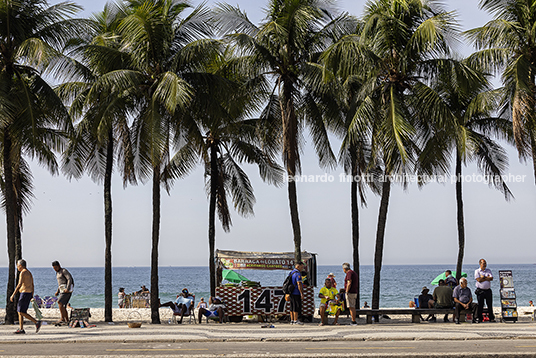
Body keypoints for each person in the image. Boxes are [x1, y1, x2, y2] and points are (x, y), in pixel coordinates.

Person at [10, 259, 41, 334]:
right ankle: (21, 329)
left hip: (24, 294)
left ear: (20, 266)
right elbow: (32, 285)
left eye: (17, 266)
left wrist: (13, 294)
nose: (17, 267)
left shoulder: (22, 273)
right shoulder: (29, 273)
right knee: (19, 312)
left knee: (21, 311)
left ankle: (36, 322)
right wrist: (32, 295)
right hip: (28, 293)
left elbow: (19, 284)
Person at [52, 261, 74, 326]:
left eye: (56, 267)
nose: (55, 269)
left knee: (59, 302)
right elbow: (60, 284)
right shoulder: (57, 273)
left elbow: (69, 279)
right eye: (54, 268)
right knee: (63, 305)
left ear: (59, 265)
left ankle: (62, 318)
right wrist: (57, 291)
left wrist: (67, 288)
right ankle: (66, 320)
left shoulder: (63, 271)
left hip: (66, 290)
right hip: (61, 290)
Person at [474, 258, 496, 323]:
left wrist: (483, 277)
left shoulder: (488, 270)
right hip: (480, 290)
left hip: (488, 290)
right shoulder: (477, 271)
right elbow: (478, 280)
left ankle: (491, 318)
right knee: (480, 304)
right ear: (480, 264)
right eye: (483, 263)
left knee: (489, 304)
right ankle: (480, 318)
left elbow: (491, 278)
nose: (484, 265)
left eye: (485, 263)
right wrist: (486, 278)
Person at [289, 261, 305, 325]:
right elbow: (299, 284)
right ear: (298, 266)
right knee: (296, 306)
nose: (302, 268)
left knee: (292, 306)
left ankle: (292, 320)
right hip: (296, 292)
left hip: (291, 291)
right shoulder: (298, 273)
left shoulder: (291, 272)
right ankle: (296, 320)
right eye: (301, 267)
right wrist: (301, 293)